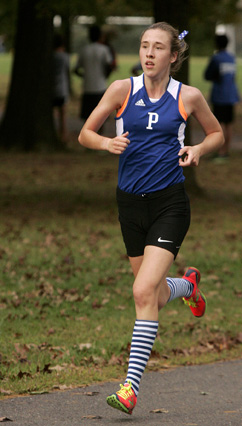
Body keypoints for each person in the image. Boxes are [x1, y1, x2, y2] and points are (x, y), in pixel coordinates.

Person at [78, 22, 224, 415]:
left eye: (158, 47)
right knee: (155, 294)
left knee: (142, 292)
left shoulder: (187, 96)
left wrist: (198, 149)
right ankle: (188, 286)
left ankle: (130, 388)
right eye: (144, 46)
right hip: (129, 205)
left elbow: (217, 135)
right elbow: (84, 133)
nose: (149, 53)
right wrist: (106, 141)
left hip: (169, 205)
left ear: (173, 57)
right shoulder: (121, 90)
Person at [204, 34, 240, 161]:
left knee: (219, 125)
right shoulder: (231, 58)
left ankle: (220, 152)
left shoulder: (216, 58)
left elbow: (207, 75)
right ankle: (226, 151)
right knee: (228, 124)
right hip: (231, 95)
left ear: (217, 44)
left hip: (220, 96)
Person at [74, 25, 113, 124]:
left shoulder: (84, 50)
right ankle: (99, 137)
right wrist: (105, 75)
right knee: (101, 117)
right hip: (100, 86)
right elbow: (110, 65)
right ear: (100, 36)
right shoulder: (104, 49)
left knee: (87, 118)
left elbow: (76, 69)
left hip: (87, 87)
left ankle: (87, 137)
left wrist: (84, 76)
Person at [52, 34, 70, 142]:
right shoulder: (64, 56)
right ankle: (63, 136)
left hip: (51, 88)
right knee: (62, 114)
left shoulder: (50, 56)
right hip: (62, 88)